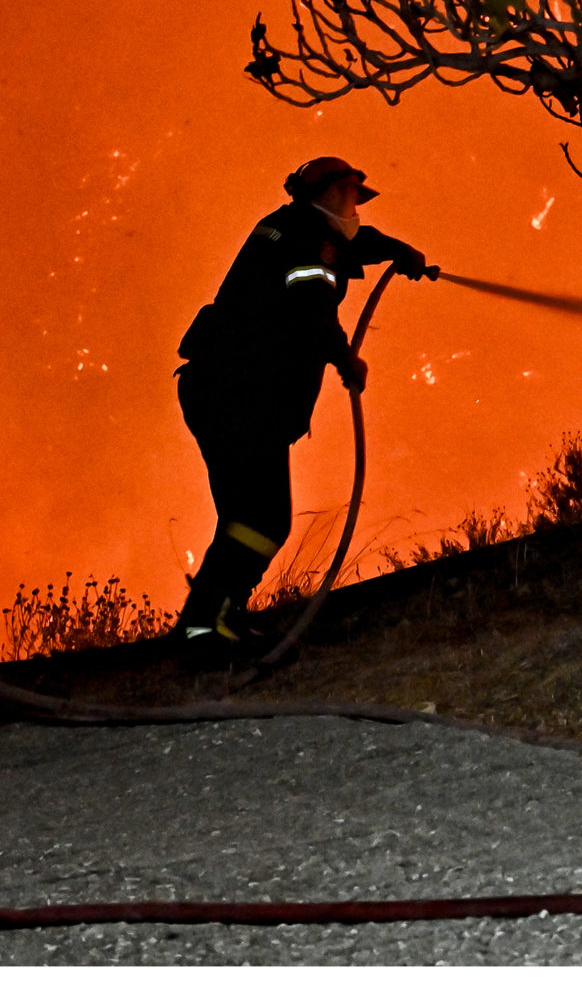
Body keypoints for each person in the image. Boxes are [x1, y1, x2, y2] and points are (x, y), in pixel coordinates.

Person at [172, 157, 434, 668]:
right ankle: (203, 630)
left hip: (226, 392)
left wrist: (399, 253)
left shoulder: (292, 227)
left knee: (247, 517)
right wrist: (347, 360)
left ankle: (218, 619)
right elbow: (311, 308)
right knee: (261, 519)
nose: (357, 205)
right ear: (337, 190)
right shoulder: (308, 243)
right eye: (355, 194)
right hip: (240, 397)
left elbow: (355, 243)